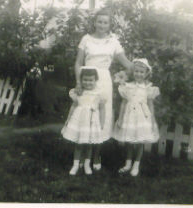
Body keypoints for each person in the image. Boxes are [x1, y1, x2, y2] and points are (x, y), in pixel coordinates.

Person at [74, 8, 133, 170]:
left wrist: (137, 70)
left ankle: (96, 155)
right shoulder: (86, 39)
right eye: (99, 21)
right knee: (85, 115)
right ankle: (81, 156)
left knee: (102, 117)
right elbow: (78, 62)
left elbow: (126, 62)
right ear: (95, 22)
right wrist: (78, 82)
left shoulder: (113, 41)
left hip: (104, 81)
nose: (102, 24)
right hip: (87, 79)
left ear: (109, 24)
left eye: (105, 22)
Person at [113, 58, 160, 176]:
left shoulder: (148, 88)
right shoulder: (127, 86)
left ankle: (136, 165)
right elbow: (123, 103)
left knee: (139, 142)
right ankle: (128, 163)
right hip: (129, 117)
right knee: (129, 141)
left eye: (141, 72)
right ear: (133, 72)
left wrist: (152, 121)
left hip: (141, 117)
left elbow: (150, 105)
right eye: (136, 71)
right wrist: (120, 118)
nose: (138, 74)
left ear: (146, 73)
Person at [61, 67, 106, 175]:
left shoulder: (99, 93)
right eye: (85, 80)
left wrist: (102, 122)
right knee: (78, 144)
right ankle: (75, 165)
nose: (88, 82)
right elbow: (73, 106)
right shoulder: (79, 92)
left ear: (95, 80)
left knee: (89, 144)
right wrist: (68, 119)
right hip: (79, 120)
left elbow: (102, 109)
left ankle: (86, 164)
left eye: (91, 80)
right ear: (81, 80)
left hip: (91, 121)